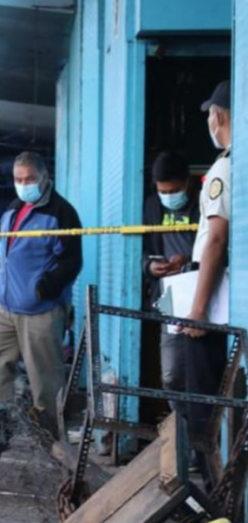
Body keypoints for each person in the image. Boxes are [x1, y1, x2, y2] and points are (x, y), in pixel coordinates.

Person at [0, 152, 82, 437]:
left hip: (41, 310)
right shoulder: (12, 208)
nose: (24, 185)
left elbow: (71, 261)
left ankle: (49, 442)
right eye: (18, 179)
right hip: (4, 307)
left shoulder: (61, 212)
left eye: (30, 179)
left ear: (45, 177)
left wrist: (43, 288)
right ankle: (4, 430)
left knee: (45, 382)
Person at [180, 80, 232, 481]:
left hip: (213, 299)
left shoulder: (224, 168)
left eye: (210, 116)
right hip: (224, 295)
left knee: (203, 395)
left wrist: (197, 311)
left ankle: (211, 488)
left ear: (219, 117)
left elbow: (215, 238)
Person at [141, 151, 199, 417]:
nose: (169, 196)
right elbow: (138, 250)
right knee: (171, 375)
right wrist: (150, 267)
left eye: (175, 190)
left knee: (203, 373)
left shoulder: (205, 200)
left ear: (187, 182)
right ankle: (182, 428)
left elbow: (221, 245)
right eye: (164, 191)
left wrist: (190, 260)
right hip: (170, 298)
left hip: (203, 293)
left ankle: (202, 438)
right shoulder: (152, 207)